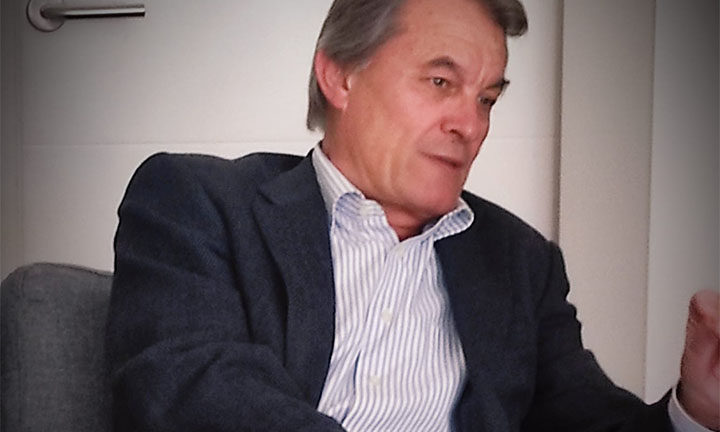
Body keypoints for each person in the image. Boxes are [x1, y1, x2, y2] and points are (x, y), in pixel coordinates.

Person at [106, 0, 720, 430]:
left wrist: (695, 410)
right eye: (440, 82)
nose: (471, 125)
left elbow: (587, 419)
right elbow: (193, 391)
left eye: (487, 99)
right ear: (339, 75)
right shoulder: (200, 202)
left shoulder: (521, 261)